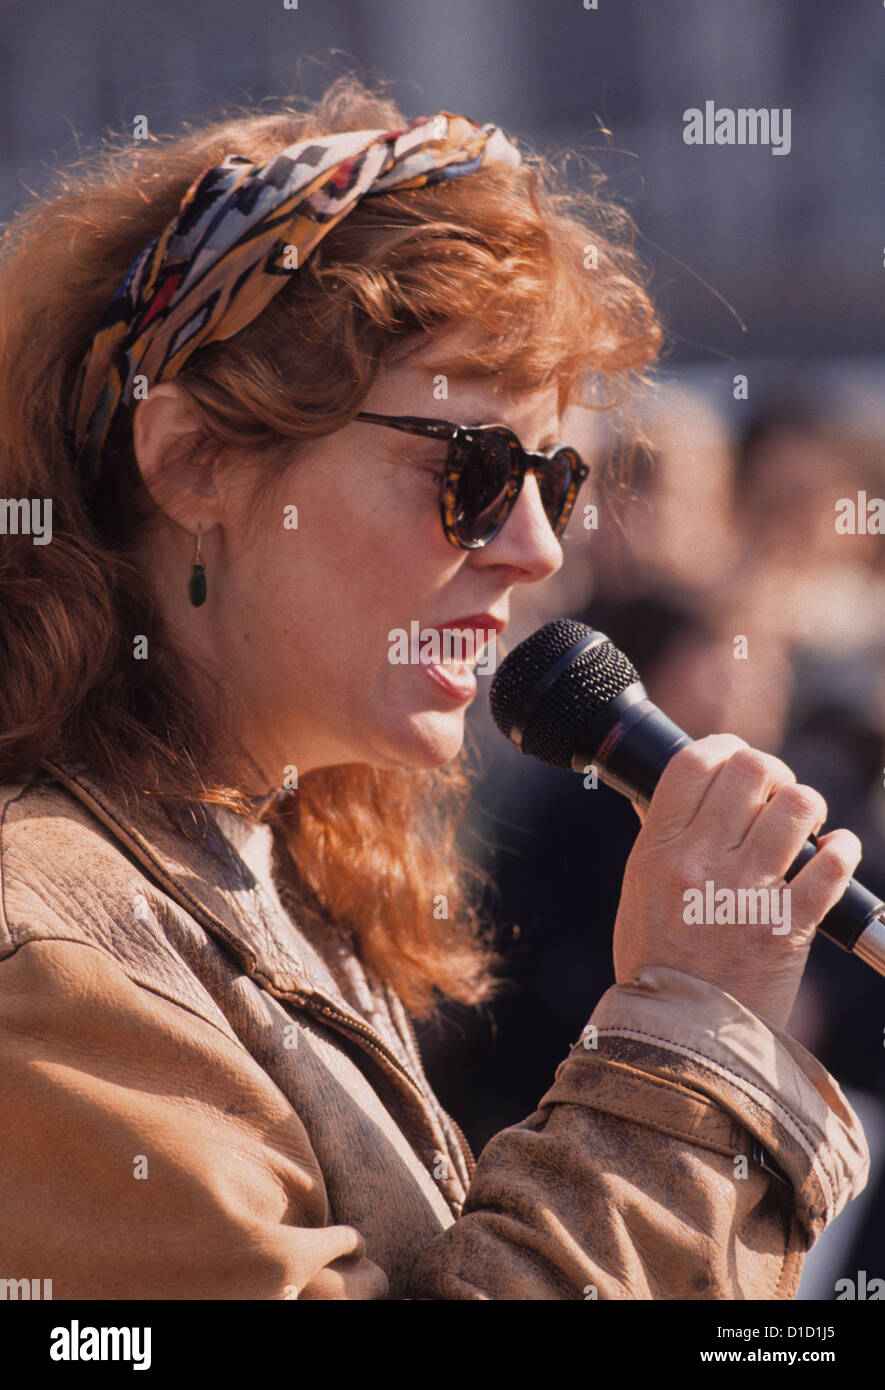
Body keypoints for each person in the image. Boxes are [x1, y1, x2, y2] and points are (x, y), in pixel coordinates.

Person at [0, 75, 868, 1300]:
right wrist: (681, 1057)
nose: (538, 546)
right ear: (193, 458)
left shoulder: (267, 865)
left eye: (557, 479)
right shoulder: (46, 960)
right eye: (472, 469)